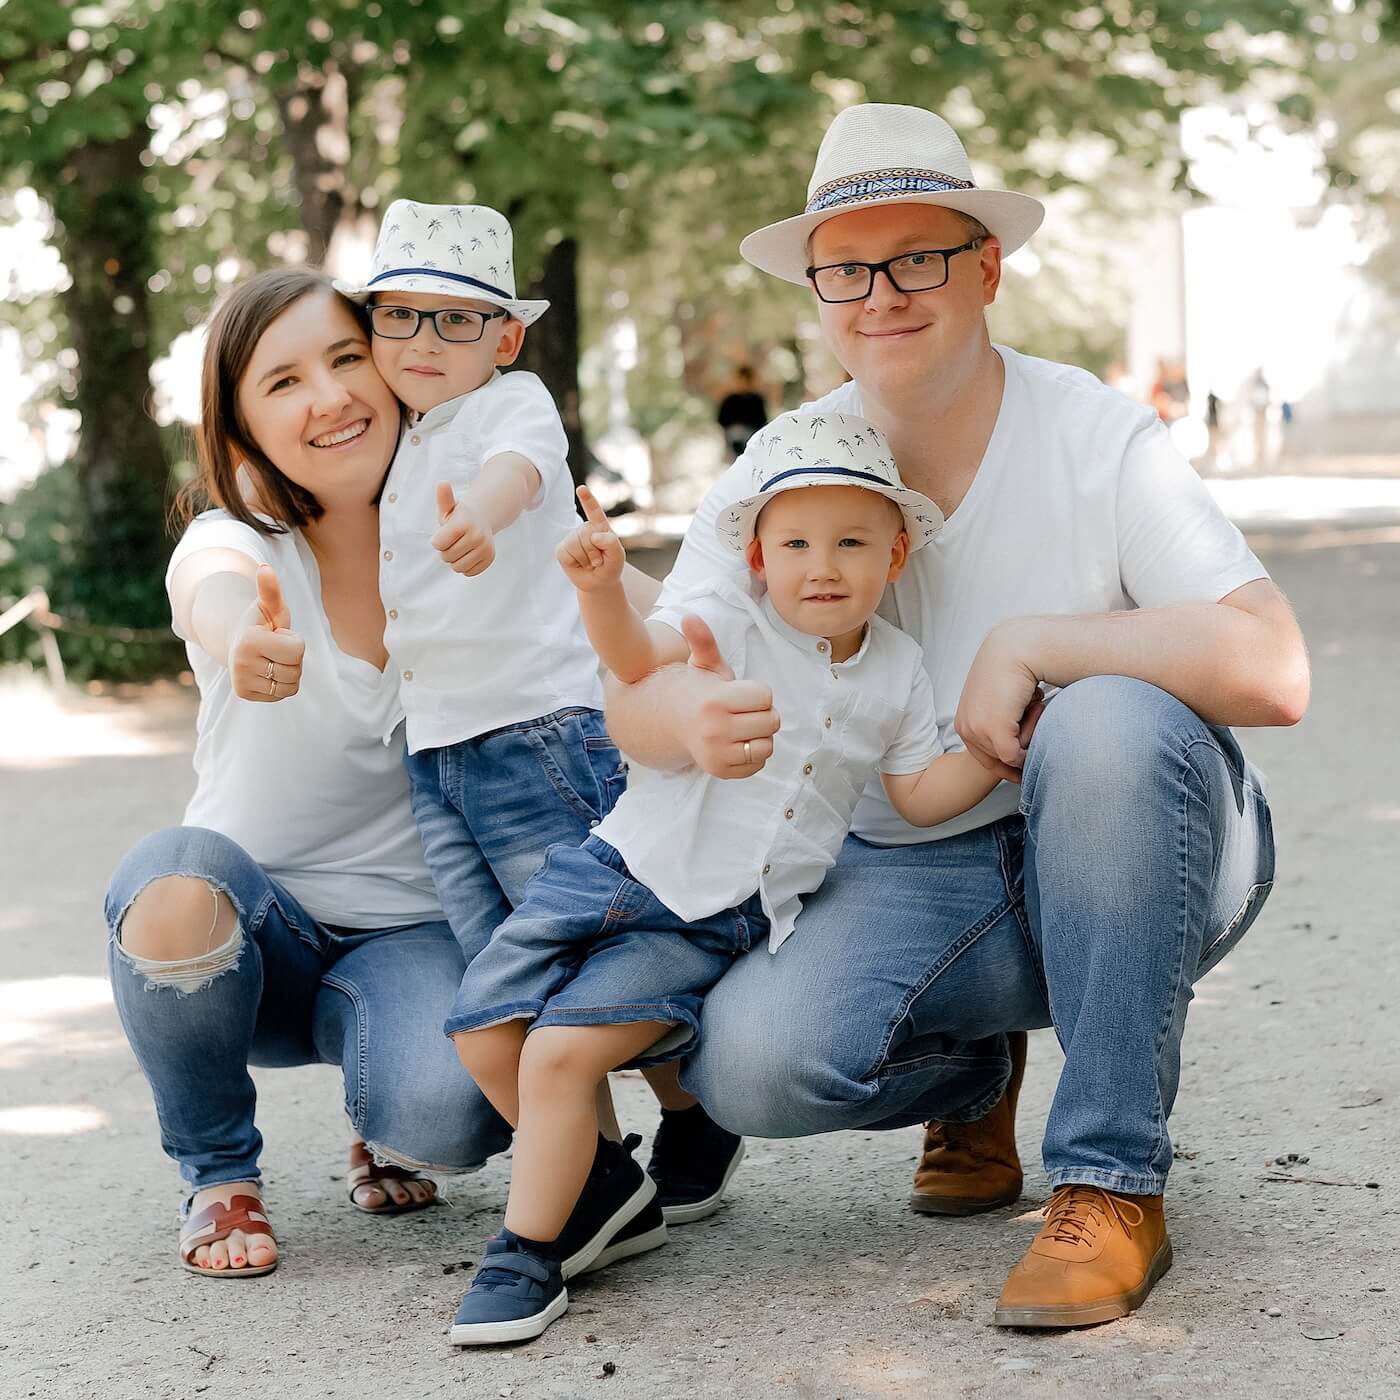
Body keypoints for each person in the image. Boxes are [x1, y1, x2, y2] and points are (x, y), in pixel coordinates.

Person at [606, 103, 1309, 1328]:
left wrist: (1036, 645)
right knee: (748, 1066)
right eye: (846, 267)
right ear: (816, 290)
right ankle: (973, 1069)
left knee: (1103, 724)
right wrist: (680, 723)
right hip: (919, 867)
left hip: (1140, 842)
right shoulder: (781, 465)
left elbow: (1272, 665)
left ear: (983, 267)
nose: (879, 291)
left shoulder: (1091, 433)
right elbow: (653, 678)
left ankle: (1106, 1177)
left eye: (916, 257)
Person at [446, 411, 1004, 1344]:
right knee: (485, 1035)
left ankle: (524, 1254)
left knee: (557, 1054)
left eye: (851, 542)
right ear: (756, 554)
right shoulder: (731, 621)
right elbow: (633, 659)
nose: (821, 565)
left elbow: (916, 795)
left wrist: (998, 749)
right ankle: (609, 1190)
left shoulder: (897, 671)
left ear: (895, 556)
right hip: (610, 868)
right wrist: (597, 590)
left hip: (706, 916)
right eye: (795, 542)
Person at [104, 267, 511, 1279]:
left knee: (452, 1117)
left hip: (409, 935)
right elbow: (211, 588)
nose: (328, 397)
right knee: (172, 879)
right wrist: (239, 634)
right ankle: (219, 1174)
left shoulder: (464, 536)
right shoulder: (234, 540)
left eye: (343, 359)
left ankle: (383, 1116)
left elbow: (617, 628)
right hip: (251, 937)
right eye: (282, 382)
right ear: (240, 429)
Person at [716, 365, 769, 459]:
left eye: (746, 380)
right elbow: (722, 421)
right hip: (733, 439)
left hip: (752, 437)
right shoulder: (730, 400)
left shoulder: (756, 400)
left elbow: (762, 422)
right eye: (741, 380)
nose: (743, 384)